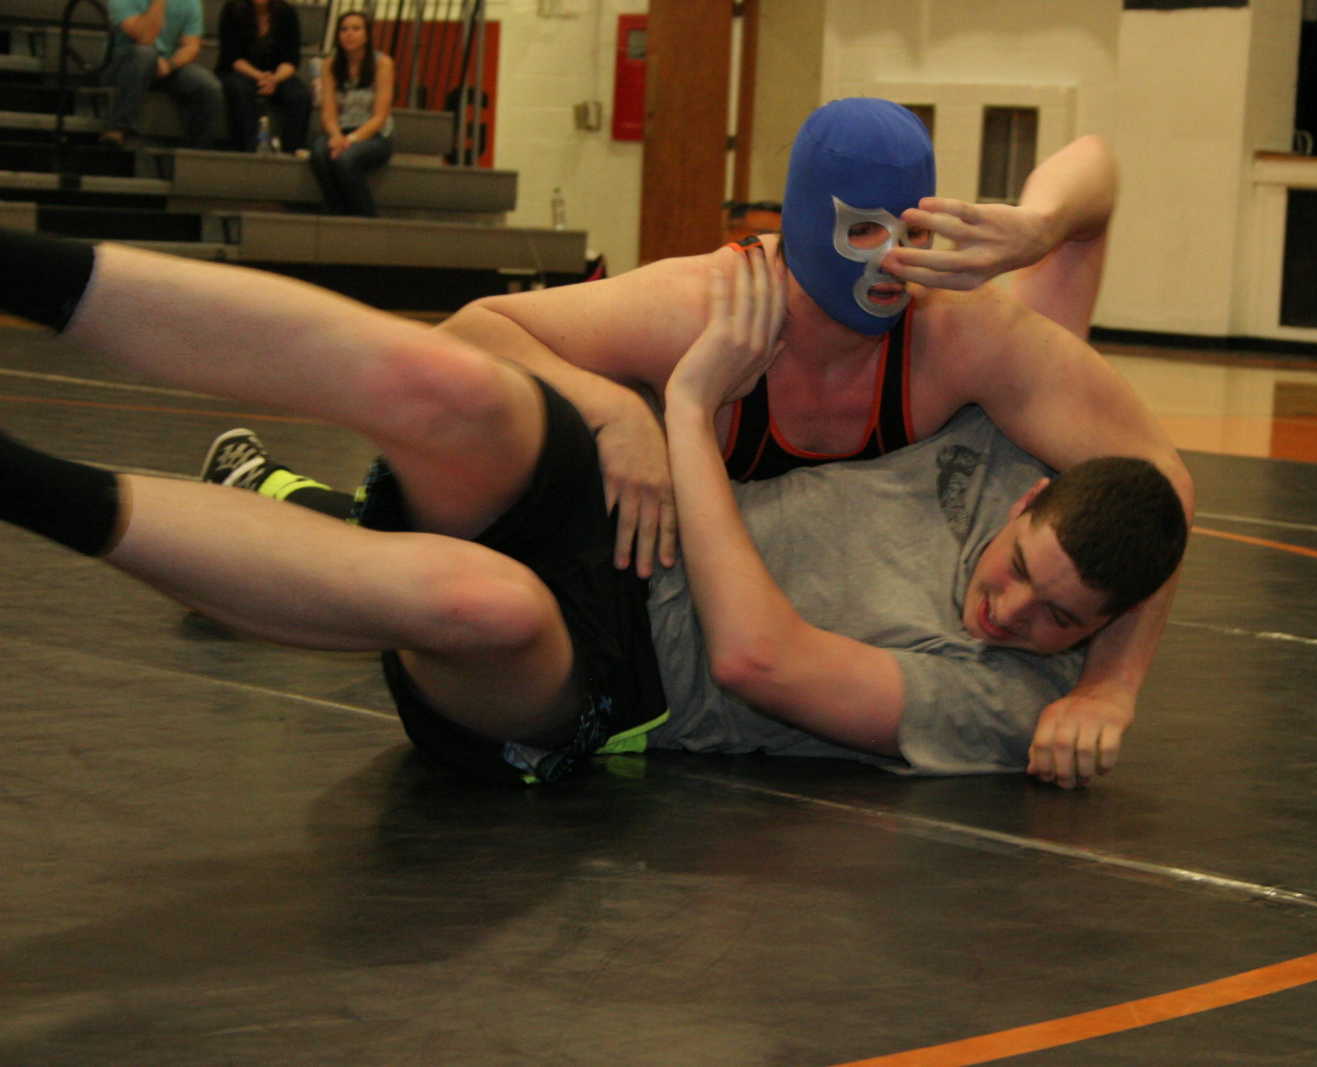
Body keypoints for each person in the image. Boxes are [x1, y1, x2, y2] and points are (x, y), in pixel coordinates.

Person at [0, 229, 1188, 785]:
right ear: (1033, 494)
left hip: (615, 675)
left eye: (1057, 620)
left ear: (1097, 631)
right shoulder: (999, 440)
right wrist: (1038, 226)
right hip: (623, 511)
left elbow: (758, 657)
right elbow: (1095, 218)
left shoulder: (1008, 704)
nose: (1010, 609)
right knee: (444, 380)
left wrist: (683, 412)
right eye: (1021, 567)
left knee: (478, 601)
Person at [391, 97, 1191, 789]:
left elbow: (1160, 490)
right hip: (620, 553)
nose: (888, 261)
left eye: (909, 232)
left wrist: (1110, 688)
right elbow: (466, 337)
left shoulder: (962, 336)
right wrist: (617, 414)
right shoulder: (709, 307)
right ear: (807, 224)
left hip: (656, 653)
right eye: (863, 231)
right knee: (480, 474)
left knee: (475, 614)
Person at [101, 0, 224, 149]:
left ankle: (196, 151)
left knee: (208, 86)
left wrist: (170, 65)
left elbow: (191, 46)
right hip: (125, 65)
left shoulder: (190, 2)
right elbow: (146, 38)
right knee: (146, 55)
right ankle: (118, 128)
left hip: (166, 65)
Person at [310, 11, 394, 217]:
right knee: (319, 152)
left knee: (345, 159)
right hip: (341, 130)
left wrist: (349, 140)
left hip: (375, 135)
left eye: (356, 29)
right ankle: (335, 212)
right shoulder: (330, 64)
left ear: (367, 35)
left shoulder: (383, 63)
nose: (349, 34)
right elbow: (329, 113)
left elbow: (380, 117)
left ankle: (366, 218)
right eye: (344, 29)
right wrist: (336, 136)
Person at [215, 0, 312, 155]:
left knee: (300, 96)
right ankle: (247, 150)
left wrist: (274, 79)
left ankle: (291, 151)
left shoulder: (287, 13)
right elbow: (231, 56)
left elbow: (291, 59)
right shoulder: (232, 10)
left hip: (277, 74)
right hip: (240, 71)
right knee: (240, 89)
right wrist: (260, 76)